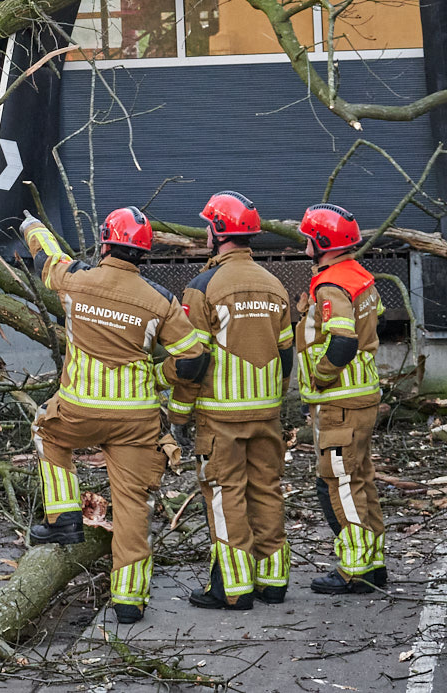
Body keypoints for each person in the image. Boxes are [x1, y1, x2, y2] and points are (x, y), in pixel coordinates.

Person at [24, 209, 203, 624]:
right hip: (135, 420)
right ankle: (128, 600)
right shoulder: (161, 300)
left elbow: (44, 260)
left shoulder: (76, 279)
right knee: (132, 505)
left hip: (79, 410)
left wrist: (33, 226)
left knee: (44, 430)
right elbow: (194, 359)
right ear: (144, 252)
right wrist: (158, 374)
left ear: (105, 243)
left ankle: (63, 518)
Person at [170, 191, 295, 610]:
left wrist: (178, 415)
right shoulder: (275, 284)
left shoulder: (202, 288)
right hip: (266, 414)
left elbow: (193, 362)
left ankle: (233, 589)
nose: (205, 231)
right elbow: (286, 354)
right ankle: (273, 581)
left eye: (209, 225)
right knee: (266, 490)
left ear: (218, 232)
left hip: (220, 418)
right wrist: (273, 398)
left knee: (226, 497)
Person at [295, 202, 387, 594]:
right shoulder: (359, 275)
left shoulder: (332, 284)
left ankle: (354, 568)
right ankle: (373, 561)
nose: (304, 250)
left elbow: (344, 339)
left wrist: (318, 377)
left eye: (307, 242)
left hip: (341, 402)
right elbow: (372, 320)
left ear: (323, 242)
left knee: (339, 484)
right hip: (361, 396)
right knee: (361, 479)